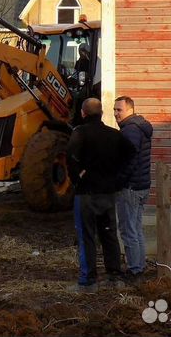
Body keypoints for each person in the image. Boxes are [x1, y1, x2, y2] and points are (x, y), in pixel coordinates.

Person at [68, 98, 135, 292]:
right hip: (107, 193)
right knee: (109, 235)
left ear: (83, 113)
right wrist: (117, 178)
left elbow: (71, 158)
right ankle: (114, 276)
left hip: (86, 194)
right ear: (102, 113)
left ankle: (88, 280)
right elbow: (131, 153)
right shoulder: (114, 135)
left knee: (87, 236)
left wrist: (77, 179)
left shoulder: (79, 133)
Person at [114, 96, 153, 279]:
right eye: (114, 110)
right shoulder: (141, 127)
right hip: (142, 184)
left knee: (128, 230)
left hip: (130, 187)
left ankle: (134, 269)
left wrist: (118, 181)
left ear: (130, 110)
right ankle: (140, 265)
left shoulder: (130, 131)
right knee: (136, 228)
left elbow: (128, 161)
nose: (115, 114)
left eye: (119, 110)